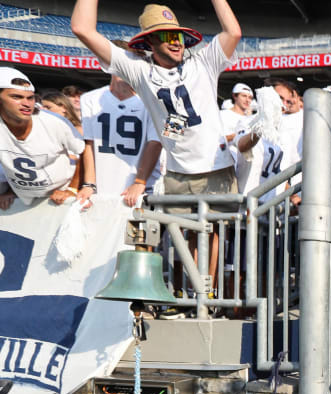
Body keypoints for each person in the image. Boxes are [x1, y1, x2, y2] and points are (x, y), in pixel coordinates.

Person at [72, 0, 242, 299]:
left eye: (178, 36)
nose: (175, 42)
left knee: (213, 231)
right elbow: (82, 29)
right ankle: (184, 294)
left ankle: (207, 294)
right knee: (182, 236)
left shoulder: (204, 62)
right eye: (166, 36)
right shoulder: (137, 70)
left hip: (215, 166)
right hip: (176, 170)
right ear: (150, 41)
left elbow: (233, 32)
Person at [79, 42, 164, 205]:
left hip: (140, 185)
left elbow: (154, 143)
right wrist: (89, 183)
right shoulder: (90, 99)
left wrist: (140, 181)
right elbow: (89, 143)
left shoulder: (152, 99)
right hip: (104, 183)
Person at [0, 67, 93, 208]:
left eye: (30, 98)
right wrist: (9, 190)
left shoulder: (54, 122)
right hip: (22, 199)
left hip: (59, 197)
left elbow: (82, 150)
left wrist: (72, 189)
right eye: (16, 97)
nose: (26, 103)